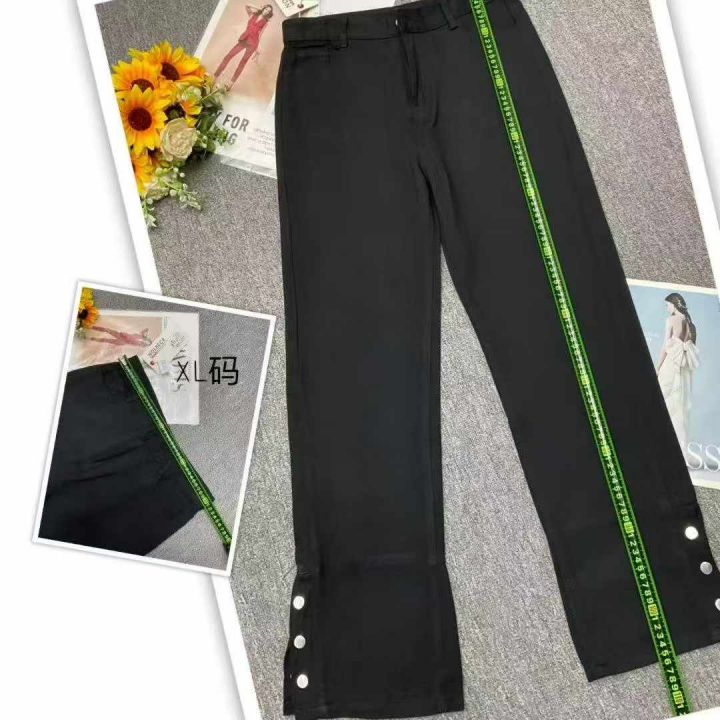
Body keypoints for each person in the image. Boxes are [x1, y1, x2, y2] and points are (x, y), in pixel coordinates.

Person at [656, 292, 699, 456]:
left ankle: (661, 446)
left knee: (664, 400)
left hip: (670, 365)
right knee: (679, 407)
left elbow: (665, 347)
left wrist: (658, 367)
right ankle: (680, 451)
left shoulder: (671, 320)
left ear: (674, 305)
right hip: (683, 369)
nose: (667, 308)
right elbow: (690, 348)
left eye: (667, 305)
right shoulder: (691, 324)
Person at [214, 5, 274, 88]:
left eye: (269, 11)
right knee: (229, 56)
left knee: (242, 63)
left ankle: (230, 83)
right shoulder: (253, 15)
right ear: (263, 8)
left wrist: (257, 49)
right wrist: (259, 9)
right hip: (244, 39)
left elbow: (260, 35)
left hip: (253, 44)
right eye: (266, 9)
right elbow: (247, 6)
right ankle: (215, 76)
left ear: (269, 13)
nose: (267, 11)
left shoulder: (265, 22)